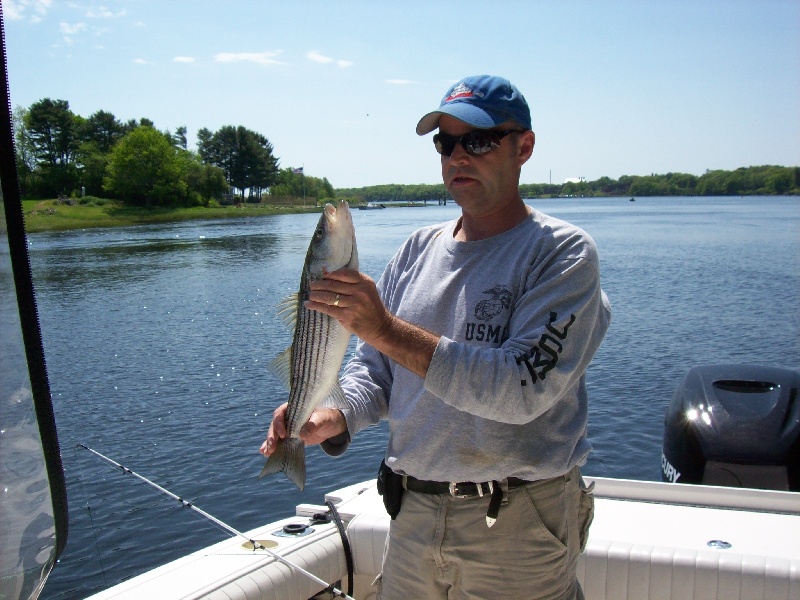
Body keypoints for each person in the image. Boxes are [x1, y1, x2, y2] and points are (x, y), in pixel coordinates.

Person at [261, 74, 611, 600]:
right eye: (445, 143)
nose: (458, 156)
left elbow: (520, 392)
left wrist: (383, 328)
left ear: (525, 147)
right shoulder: (415, 251)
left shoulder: (561, 255)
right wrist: (334, 415)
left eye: (479, 139)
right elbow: (375, 372)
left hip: (518, 526)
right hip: (413, 517)